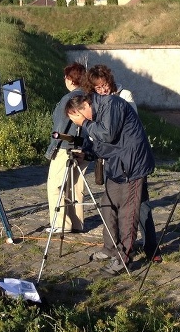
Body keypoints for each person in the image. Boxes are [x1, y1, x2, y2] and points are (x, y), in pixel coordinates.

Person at [66, 91, 155, 274]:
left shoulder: (111, 105)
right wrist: (86, 153)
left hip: (132, 166)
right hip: (116, 166)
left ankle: (124, 258)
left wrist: (84, 123)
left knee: (127, 213)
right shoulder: (95, 116)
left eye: (75, 119)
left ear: (83, 109)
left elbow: (107, 135)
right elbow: (101, 145)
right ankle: (110, 248)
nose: (77, 124)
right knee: (107, 206)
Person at [83, 65, 159, 262]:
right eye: (98, 89)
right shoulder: (98, 101)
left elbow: (115, 129)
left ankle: (150, 248)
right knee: (113, 204)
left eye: (104, 85)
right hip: (114, 160)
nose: (103, 90)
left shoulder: (123, 96)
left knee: (140, 206)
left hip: (131, 160)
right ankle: (113, 247)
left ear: (110, 81)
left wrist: (91, 126)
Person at [44, 62, 87, 234]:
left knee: (56, 186)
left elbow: (60, 127)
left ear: (69, 79)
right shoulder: (88, 97)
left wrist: (51, 149)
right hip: (83, 147)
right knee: (76, 186)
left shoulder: (68, 99)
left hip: (65, 147)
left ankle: (61, 224)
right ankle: (77, 223)